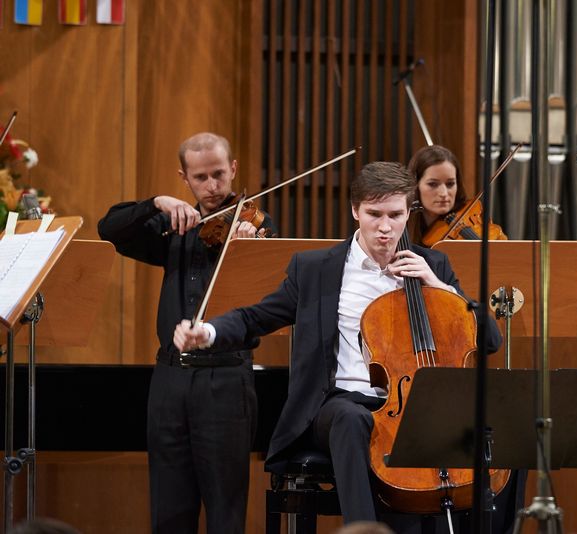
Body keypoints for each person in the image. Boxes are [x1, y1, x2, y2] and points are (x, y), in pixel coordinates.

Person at [172, 161, 503, 527]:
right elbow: (256, 317)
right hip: (339, 403)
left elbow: (489, 340)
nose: (385, 227)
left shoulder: (433, 264)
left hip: (416, 407)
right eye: (373, 214)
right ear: (354, 211)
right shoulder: (316, 268)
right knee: (352, 419)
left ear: (409, 212)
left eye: (395, 215)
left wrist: (438, 287)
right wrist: (208, 332)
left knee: (500, 429)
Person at [97, 132, 275, 534]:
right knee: (169, 509)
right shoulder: (172, 225)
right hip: (170, 379)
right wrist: (158, 202)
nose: (212, 187)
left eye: (218, 175)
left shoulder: (253, 225)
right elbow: (110, 227)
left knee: (225, 511)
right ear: (185, 178)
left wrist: (246, 252)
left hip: (226, 377)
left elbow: (268, 298)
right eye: (200, 178)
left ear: (233, 169)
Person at [407, 145, 507, 246]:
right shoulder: (401, 224)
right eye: (433, 184)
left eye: (450, 184)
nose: (444, 193)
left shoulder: (473, 211)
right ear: (415, 185)